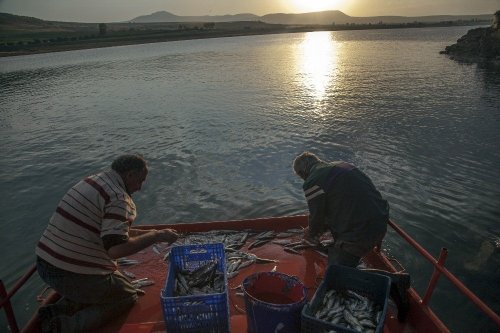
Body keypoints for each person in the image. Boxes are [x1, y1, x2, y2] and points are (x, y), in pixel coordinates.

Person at [35, 154, 178, 332]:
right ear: (130, 175)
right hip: (68, 272)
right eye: (140, 181)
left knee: (119, 286)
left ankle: (55, 310)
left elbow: (113, 233)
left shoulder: (92, 181)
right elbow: (116, 250)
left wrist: (154, 233)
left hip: (45, 263)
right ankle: (64, 326)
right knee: (126, 297)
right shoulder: (119, 198)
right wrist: (155, 237)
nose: (140, 188)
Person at [293, 151, 410, 320]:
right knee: (338, 257)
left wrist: (310, 234)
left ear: (303, 174)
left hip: (360, 232)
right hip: (380, 221)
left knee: (335, 276)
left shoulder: (312, 182)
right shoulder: (342, 165)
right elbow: (343, 202)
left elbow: (317, 217)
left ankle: (394, 282)